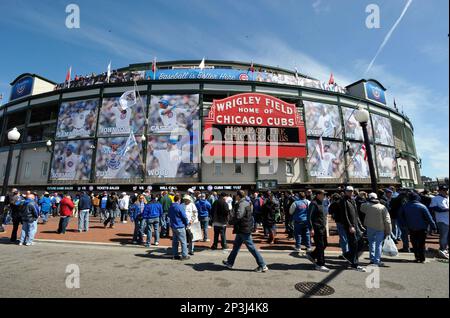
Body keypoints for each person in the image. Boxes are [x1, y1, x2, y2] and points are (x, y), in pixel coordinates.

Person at [223, 190, 268, 273]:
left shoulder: (241, 204)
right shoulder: (247, 202)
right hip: (243, 228)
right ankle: (229, 262)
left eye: (236, 195)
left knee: (251, 247)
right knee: (236, 246)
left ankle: (262, 265)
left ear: (238, 196)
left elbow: (239, 216)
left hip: (243, 228)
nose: (235, 196)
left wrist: (231, 221)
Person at [400, 192, 436, 263]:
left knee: (414, 242)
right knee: (421, 243)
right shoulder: (422, 206)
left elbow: (400, 217)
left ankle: (417, 257)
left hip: (411, 227)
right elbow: (429, 218)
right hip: (422, 228)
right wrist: (434, 227)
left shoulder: (404, 206)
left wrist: (403, 225)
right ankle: (422, 258)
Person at [360, 193, 392, 266]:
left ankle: (372, 258)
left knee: (371, 243)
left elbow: (361, 207)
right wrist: (388, 230)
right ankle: (377, 260)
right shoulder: (382, 207)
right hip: (380, 228)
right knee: (378, 244)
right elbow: (387, 220)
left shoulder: (366, 206)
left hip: (370, 227)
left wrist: (367, 200)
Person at [339, 186, 366, 272]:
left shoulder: (353, 200)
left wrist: (360, 225)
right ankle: (355, 264)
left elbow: (356, 214)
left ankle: (348, 255)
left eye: (351, 191)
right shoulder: (343, 201)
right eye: (348, 191)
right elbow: (345, 215)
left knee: (361, 243)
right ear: (345, 191)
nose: (350, 192)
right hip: (350, 226)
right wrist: (350, 226)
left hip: (356, 225)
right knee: (353, 244)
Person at [305, 190, 330, 272]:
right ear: (318, 195)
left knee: (325, 244)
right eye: (323, 194)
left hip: (322, 227)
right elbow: (309, 217)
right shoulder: (313, 203)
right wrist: (311, 228)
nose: (325, 196)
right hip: (317, 228)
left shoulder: (321, 203)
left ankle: (312, 255)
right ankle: (320, 264)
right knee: (320, 246)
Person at [429, 185, 449, 259]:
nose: (446, 191)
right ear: (439, 191)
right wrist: (446, 210)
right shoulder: (435, 198)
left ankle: (446, 249)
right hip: (442, 220)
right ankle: (443, 249)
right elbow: (433, 208)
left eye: (446, 190)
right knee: (444, 236)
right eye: (444, 190)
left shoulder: (448, 197)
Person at [168, 195, 190, 260]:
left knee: (175, 241)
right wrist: (186, 224)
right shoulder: (179, 207)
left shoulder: (171, 206)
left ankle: (175, 255)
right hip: (180, 226)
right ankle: (184, 255)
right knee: (183, 241)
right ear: (179, 200)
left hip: (174, 226)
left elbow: (169, 215)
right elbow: (184, 216)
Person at [329, 193, 348, 257]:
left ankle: (345, 253)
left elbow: (330, 211)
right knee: (346, 237)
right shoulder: (345, 202)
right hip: (347, 222)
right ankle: (346, 252)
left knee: (343, 238)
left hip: (339, 221)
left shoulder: (334, 203)